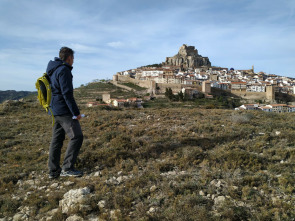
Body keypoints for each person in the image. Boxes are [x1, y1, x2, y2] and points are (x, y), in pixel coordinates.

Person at [46, 47, 83, 179]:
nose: (73, 61)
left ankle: (53, 171)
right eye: (73, 58)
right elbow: (67, 93)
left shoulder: (53, 69)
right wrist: (76, 113)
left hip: (54, 109)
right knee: (77, 136)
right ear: (69, 58)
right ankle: (67, 168)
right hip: (64, 110)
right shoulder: (64, 70)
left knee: (56, 140)